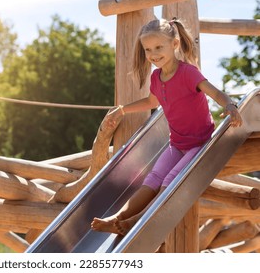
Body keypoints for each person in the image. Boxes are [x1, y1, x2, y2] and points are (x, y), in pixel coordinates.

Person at [90, 18, 243, 236]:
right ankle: (118, 217)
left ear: (175, 44)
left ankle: (138, 220)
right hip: (177, 144)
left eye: (158, 47)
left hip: (199, 145)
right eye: (148, 49)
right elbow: (151, 103)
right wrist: (122, 109)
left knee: (170, 180)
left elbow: (215, 92)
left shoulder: (188, 73)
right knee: (152, 179)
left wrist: (229, 104)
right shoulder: (156, 77)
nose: (153, 54)